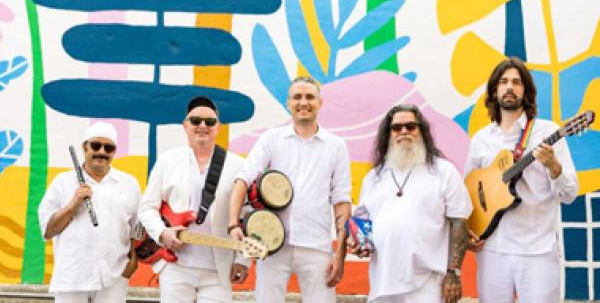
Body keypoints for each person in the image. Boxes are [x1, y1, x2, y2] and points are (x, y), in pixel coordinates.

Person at [228, 76, 352, 303]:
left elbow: (342, 200)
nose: (303, 102)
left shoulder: (336, 146)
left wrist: (340, 252)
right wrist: (233, 224)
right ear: (288, 103)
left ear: (320, 103)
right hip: (272, 246)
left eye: (309, 97)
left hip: (317, 246)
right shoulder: (271, 140)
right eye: (297, 97)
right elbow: (243, 179)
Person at [465, 57, 578, 303]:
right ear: (494, 91)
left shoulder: (548, 133)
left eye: (516, 82)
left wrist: (553, 166)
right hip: (492, 249)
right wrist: (469, 229)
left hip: (536, 250)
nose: (509, 87)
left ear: (525, 91)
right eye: (503, 82)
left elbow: (569, 194)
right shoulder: (481, 139)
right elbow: (469, 191)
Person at [350, 104, 472, 303]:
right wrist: (359, 242)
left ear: (421, 131)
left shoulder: (444, 171)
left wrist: (454, 273)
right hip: (382, 282)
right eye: (397, 128)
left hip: (428, 284)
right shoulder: (374, 177)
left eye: (410, 126)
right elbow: (363, 220)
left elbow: (459, 222)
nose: (404, 132)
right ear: (388, 134)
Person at [138, 96, 249, 302]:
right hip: (175, 265)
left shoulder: (238, 165)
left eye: (210, 122)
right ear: (185, 125)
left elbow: (247, 215)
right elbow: (146, 208)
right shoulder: (167, 161)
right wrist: (163, 234)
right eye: (195, 121)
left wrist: (243, 259)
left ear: (218, 127)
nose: (202, 126)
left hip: (219, 268)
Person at [38, 121, 141, 303]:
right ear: (84, 147)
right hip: (73, 276)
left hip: (114, 276)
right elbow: (48, 230)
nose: (101, 151)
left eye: (108, 148)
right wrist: (73, 204)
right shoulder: (62, 182)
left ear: (114, 152)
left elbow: (136, 228)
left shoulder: (129, 184)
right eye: (95, 145)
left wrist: (133, 260)